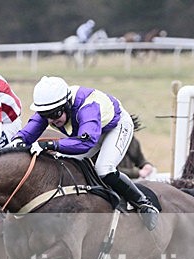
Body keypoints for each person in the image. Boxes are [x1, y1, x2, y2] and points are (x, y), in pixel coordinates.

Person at [9, 76, 159, 231]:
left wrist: (50, 144)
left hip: (115, 128)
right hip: (89, 133)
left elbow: (86, 142)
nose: (52, 120)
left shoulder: (87, 108)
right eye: (46, 115)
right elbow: (33, 127)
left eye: (55, 114)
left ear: (67, 104)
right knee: (63, 162)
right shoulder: (52, 110)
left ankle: (144, 204)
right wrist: (18, 139)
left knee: (104, 169)